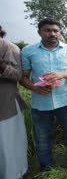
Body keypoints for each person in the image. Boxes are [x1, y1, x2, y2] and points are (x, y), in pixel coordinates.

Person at [20, 18, 67, 172]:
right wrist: (35, 88)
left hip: (65, 101)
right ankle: (46, 169)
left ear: (59, 32)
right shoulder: (28, 51)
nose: (52, 33)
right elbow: (23, 78)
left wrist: (62, 74)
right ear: (39, 32)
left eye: (55, 31)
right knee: (42, 138)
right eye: (47, 30)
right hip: (40, 102)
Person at [0, 26, 28, 179]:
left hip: (5, 100)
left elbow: (19, 75)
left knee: (8, 138)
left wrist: (2, 66)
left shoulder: (10, 48)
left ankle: (15, 172)